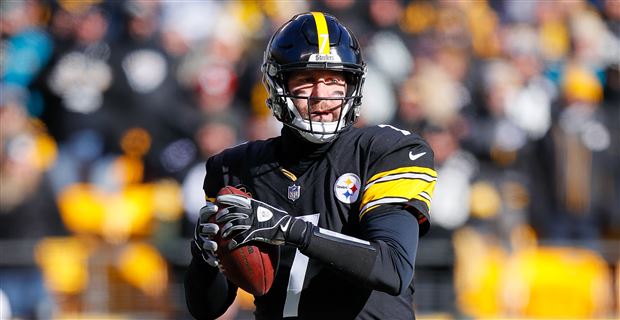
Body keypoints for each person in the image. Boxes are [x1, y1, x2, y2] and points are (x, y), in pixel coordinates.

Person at [185, 12, 437, 319]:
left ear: (352, 86)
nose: (322, 97)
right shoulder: (235, 168)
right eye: (306, 80)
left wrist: (291, 229)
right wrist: (205, 256)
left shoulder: (385, 152)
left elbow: (393, 268)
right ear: (278, 85)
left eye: (333, 80)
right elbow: (206, 309)